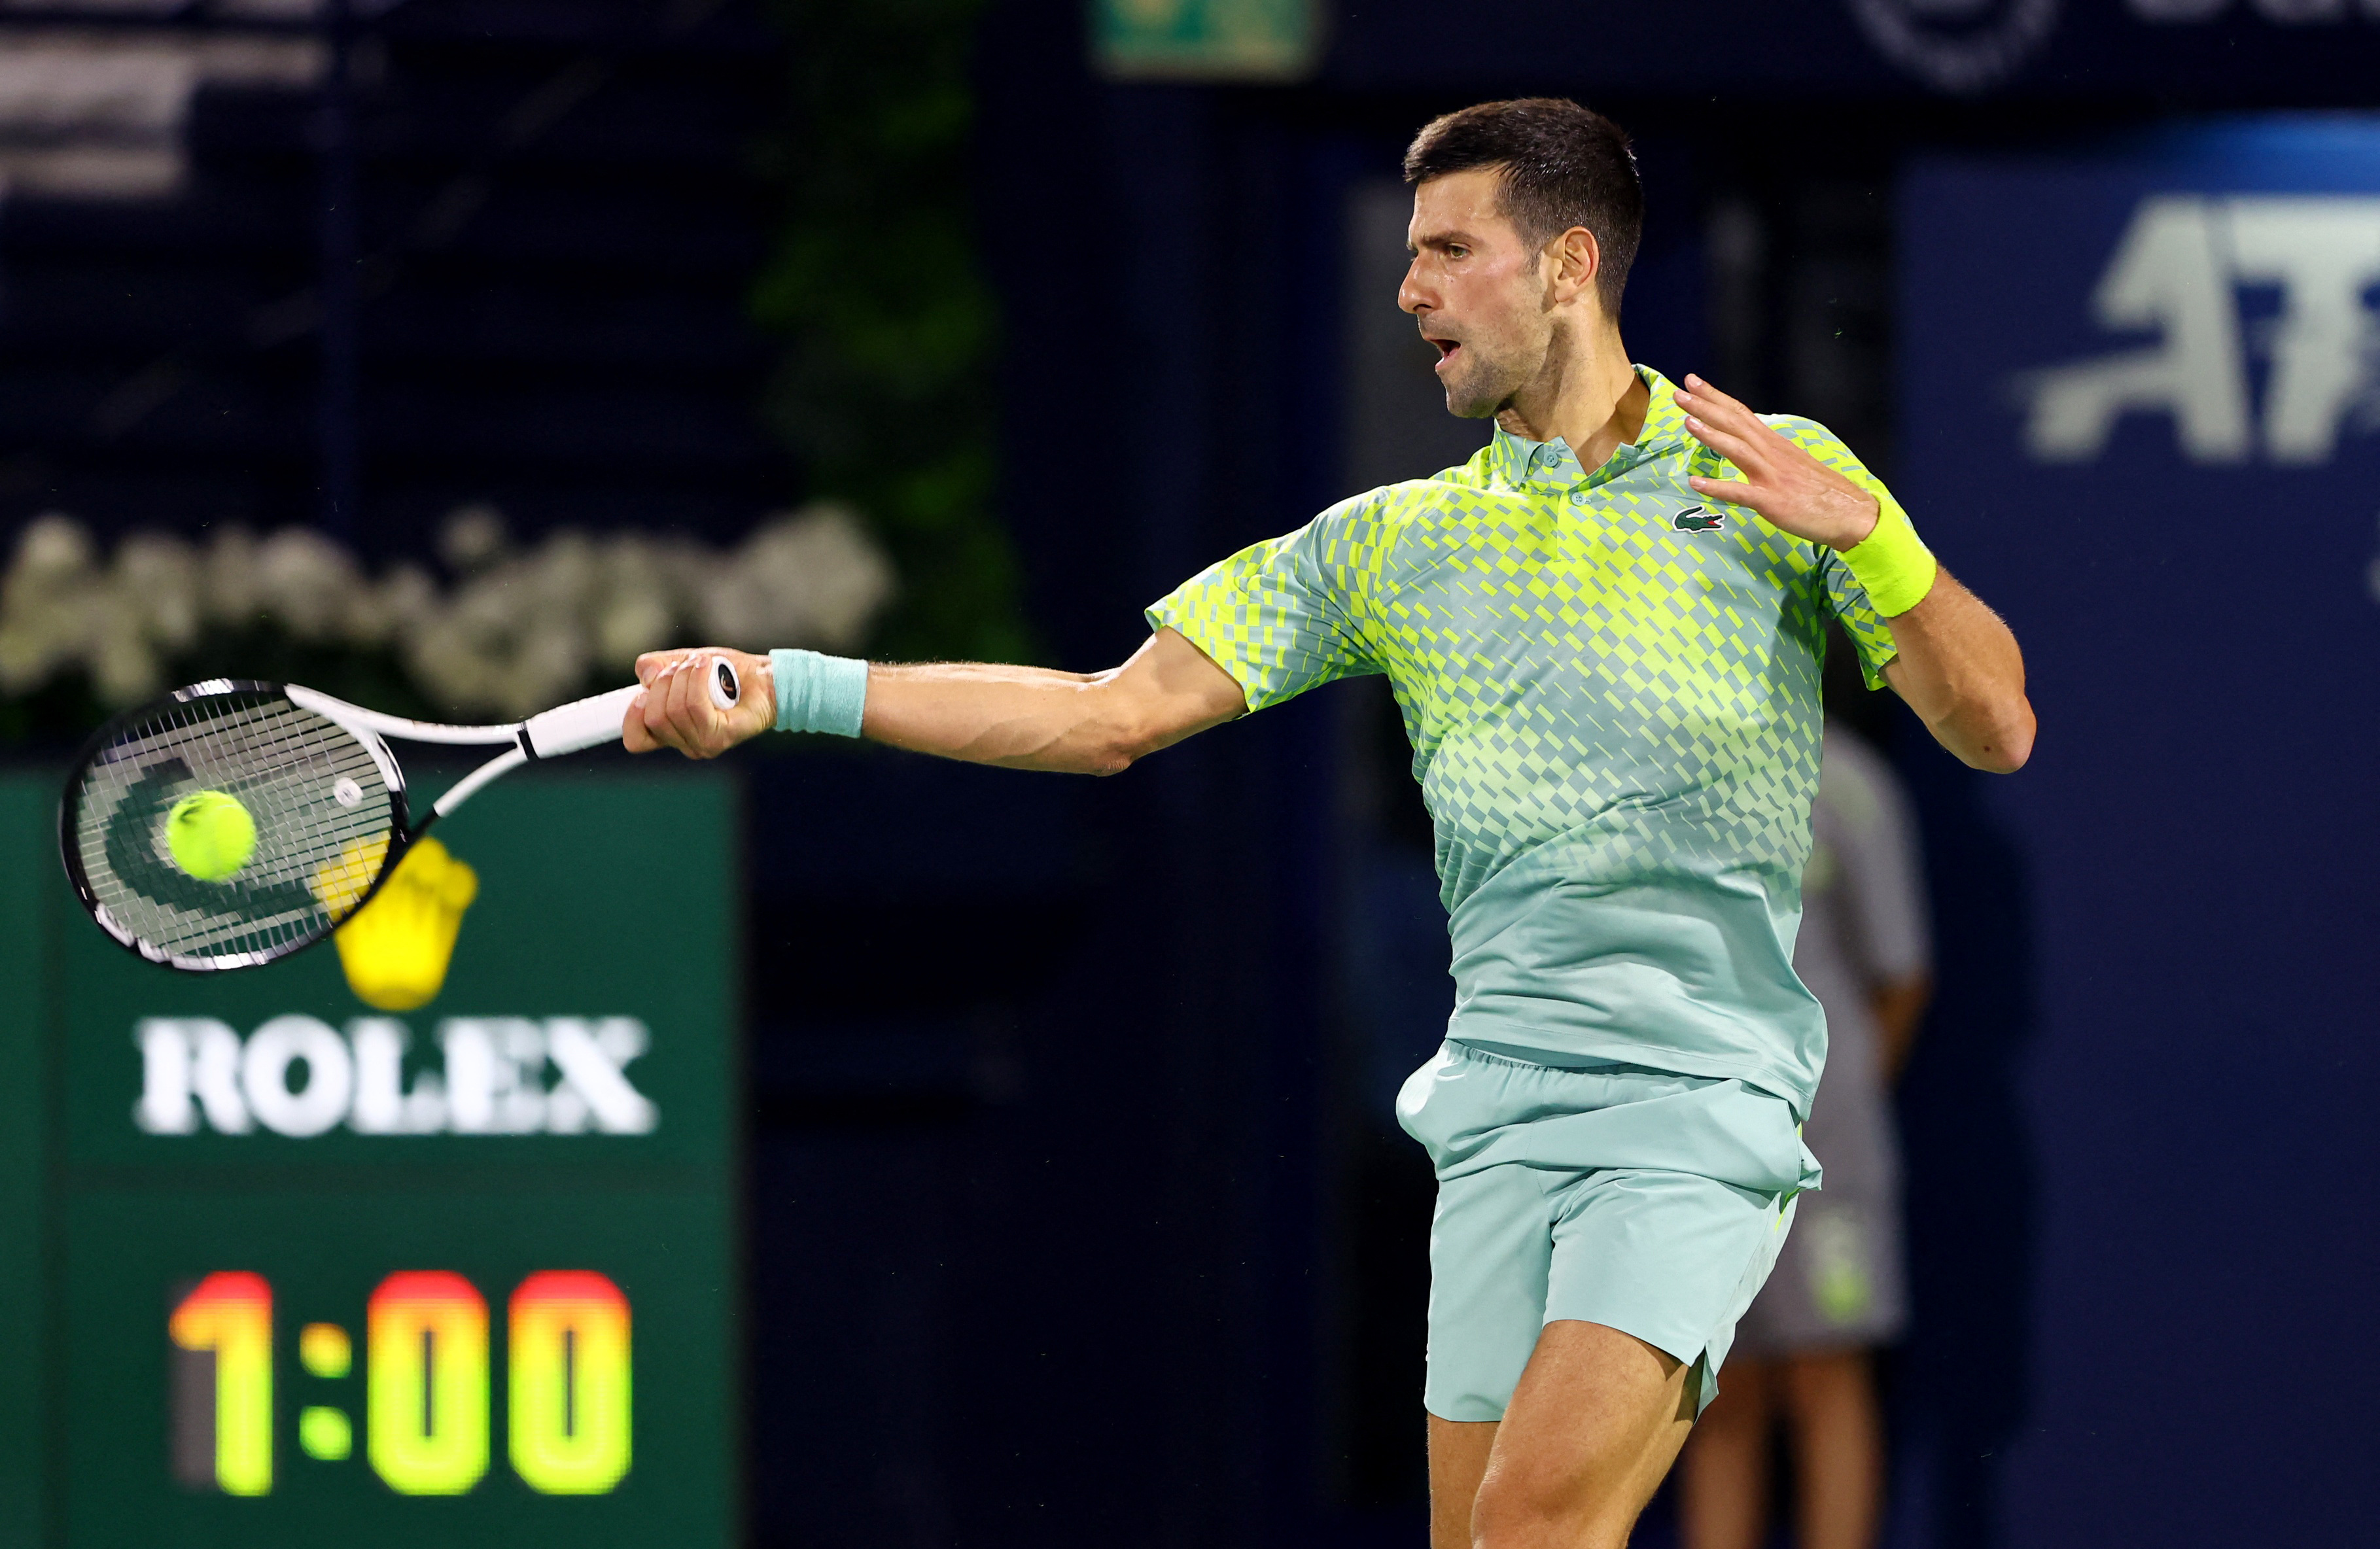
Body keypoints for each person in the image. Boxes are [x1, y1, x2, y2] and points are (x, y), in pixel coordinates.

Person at [627, 97, 2034, 1549]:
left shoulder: (1771, 475)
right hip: (1497, 1112)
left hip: (1695, 1105)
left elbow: (1994, 727)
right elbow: (1109, 712)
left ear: (1565, 265)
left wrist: (1879, 543)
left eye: (1449, 248)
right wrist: (788, 684)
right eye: (1409, 250)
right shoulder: (1390, 545)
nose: (1412, 288)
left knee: (1538, 1523)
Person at [1678, 712, 1933, 1549]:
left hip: (1827, 1151)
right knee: (1716, 1391)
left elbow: (1900, 975)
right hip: (1696, 1146)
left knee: (1824, 1376)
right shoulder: (1662, 776)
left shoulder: (1848, 782)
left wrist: (1831, 1107)